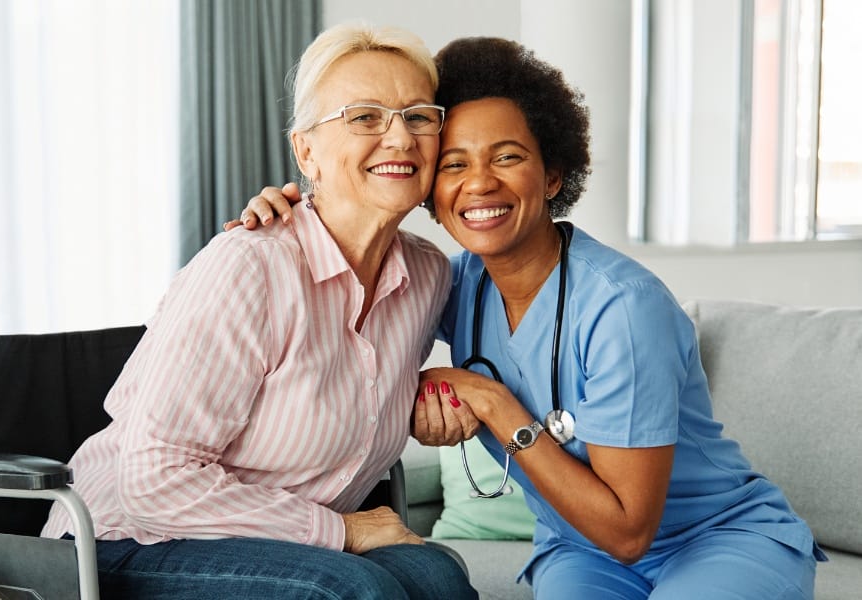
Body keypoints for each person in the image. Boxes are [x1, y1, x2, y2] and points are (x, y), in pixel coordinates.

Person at [234, 36, 825, 599]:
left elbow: (627, 531)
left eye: (507, 157)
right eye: (454, 164)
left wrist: (493, 404)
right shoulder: (450, 282)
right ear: (431, 194)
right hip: (579, 546)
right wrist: (295, 213)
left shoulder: (623, 308)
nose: (479, 183)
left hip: (716, 540)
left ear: (552, 175)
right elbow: (350, 300)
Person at [41, 22, 477, 600]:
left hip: (282, 544)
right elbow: (152, 480)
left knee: (440, 579)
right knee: (352, 591)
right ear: (305, 150)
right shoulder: (251, 266)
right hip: (125, 540)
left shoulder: (427, 275)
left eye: (419, 116)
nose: (400, 138)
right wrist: (341, 530)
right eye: (364, 117)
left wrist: (433, 393)